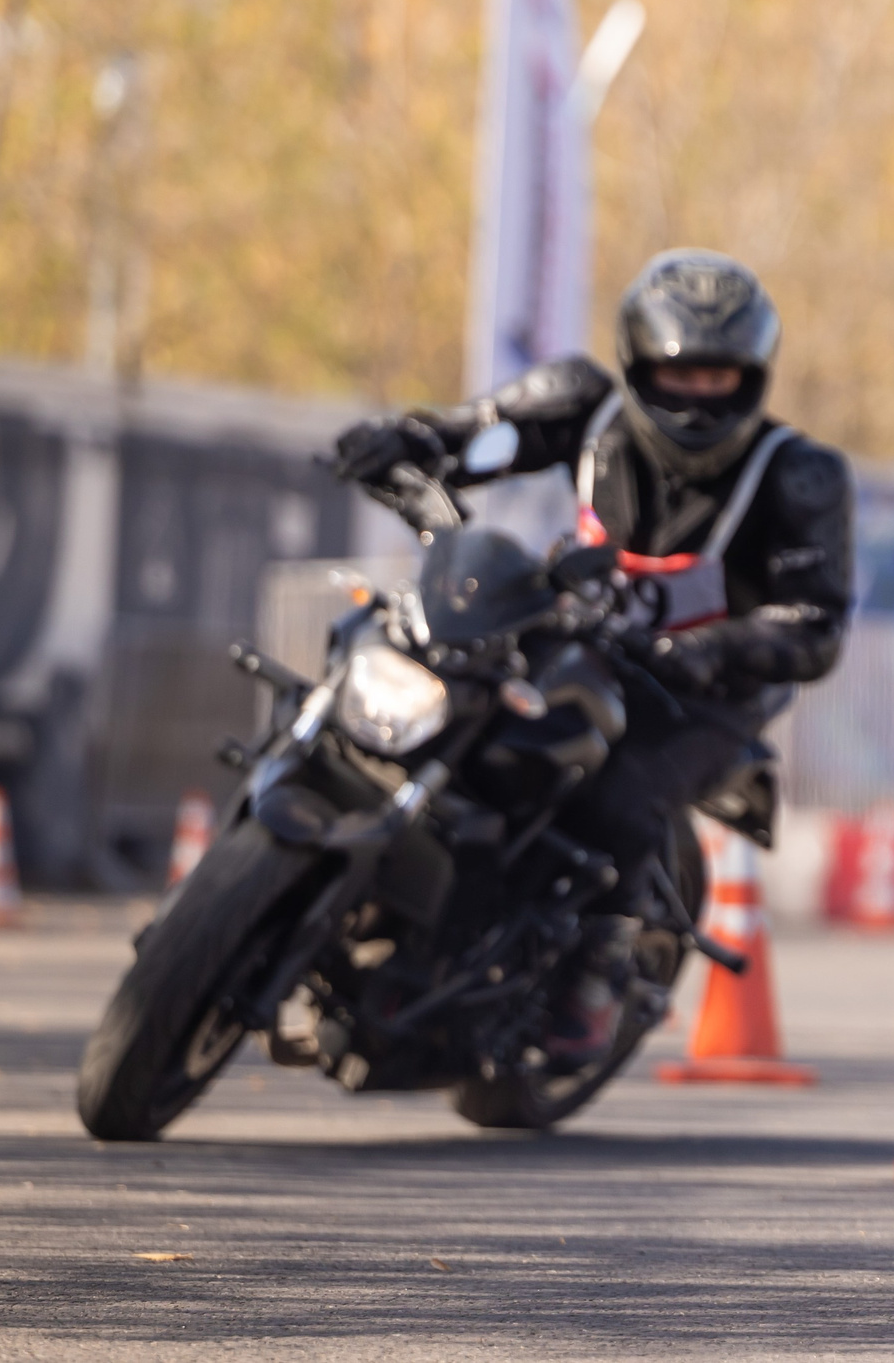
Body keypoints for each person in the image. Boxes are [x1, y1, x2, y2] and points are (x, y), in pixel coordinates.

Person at [331, 249, 852, 1066]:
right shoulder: (585, 409)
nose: (695, 396)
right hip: (577, 632)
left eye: (718, 378)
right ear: (637, 364)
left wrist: (704, 648)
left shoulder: (801, 476)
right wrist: (408, 440)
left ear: (753, 377)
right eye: (677, 374)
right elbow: (475, 430)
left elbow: (816, 623)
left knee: (619, 791)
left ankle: (598, 967)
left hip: (706, 690)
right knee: (440, 692)